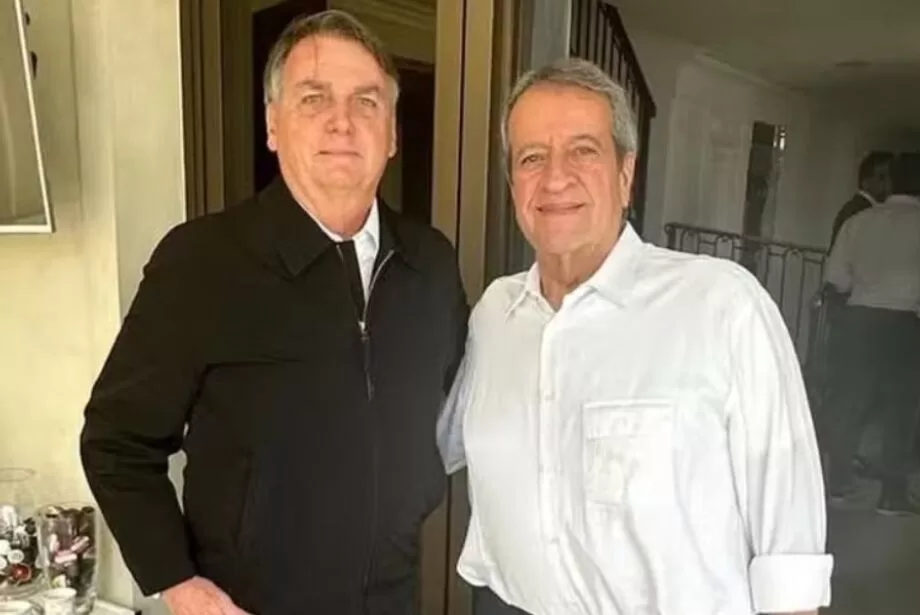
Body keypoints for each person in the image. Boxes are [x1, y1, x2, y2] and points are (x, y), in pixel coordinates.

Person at [80, 10, 467, 615]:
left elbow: (451, 409)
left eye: (366, 102)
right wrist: (177, 580)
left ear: (392, 134)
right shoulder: (202, 262)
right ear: (272, 126)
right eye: (314, 98)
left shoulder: (430, 265)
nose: (342, 121)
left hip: (393, 599)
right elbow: (116, 440)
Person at [437, 58, 832, 615]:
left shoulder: (721, 306)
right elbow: (436, 444)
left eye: (583, 151)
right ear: (513, 185)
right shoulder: (494, 316)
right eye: (532, 158)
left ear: (626, 175)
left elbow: (789, 547)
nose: (555, 178)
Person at [822, 153, 920, 515]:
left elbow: (837, 277)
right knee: (901, 408)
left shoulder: (859, 222)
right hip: (906, 321)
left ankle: (838, 483)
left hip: (859, 318)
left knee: (849, 400)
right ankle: (892, 494)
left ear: (890, 181)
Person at [828, 151, 892, 250]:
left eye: (890, 178)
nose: (888, 184)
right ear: (865, 182)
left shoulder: (853, 207)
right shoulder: (861, 211)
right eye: (881, 178)